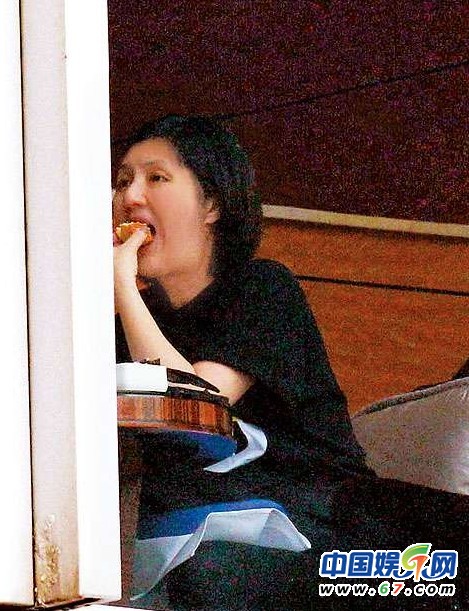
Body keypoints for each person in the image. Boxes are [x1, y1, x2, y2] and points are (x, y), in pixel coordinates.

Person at [114, 115, 455, 610]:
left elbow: (195, 406)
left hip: (332, 528)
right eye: (123, 180)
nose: (130, 196)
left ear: (211, 204)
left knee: (211, 577)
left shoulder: (262, 288)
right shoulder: (128, 324)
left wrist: (123, 288)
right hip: (204, 533)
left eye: (157, 178)